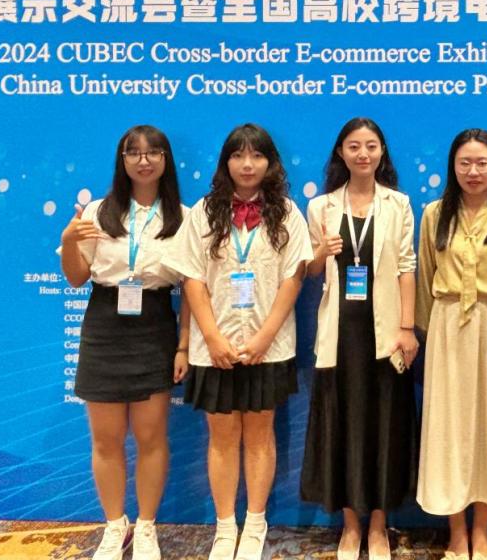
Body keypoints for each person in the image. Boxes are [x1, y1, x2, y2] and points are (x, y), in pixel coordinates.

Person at [163, 123, 312, 560]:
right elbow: (192, 278)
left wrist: (264, 338)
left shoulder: (287, 213)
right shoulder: (204, 212)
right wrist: (211, 337)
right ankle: (225, 526)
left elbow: (293, 279)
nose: (247, 165)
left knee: (261, 435)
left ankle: (256, 523)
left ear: (270, 163)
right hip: (216, 348)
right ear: (225, 162)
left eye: (257, 156)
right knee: (222, 437)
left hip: (270, 346)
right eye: (238, 155)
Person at [59, 125, 188, 560]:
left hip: (154, 323)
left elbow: (193, 287)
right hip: (105, 325)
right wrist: (68, 242)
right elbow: (76, 277)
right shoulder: (98, 211)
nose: (143, 160)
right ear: (122, 160)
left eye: (153, 152)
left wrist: (184, 346)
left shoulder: (183, 217)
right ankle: (115, 526)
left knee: (151, 437)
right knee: (106, 439)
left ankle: (147, 526)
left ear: (166, 160)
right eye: (134, 153)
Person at [301, 117, 419, 560]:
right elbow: (311, 270)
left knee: (384, 427)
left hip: (385, 333)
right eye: (354, 146)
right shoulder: (321, 206)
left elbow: (406, 267)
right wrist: (320, 253)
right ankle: (350, 527)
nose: (363, 153)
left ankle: (378, 527)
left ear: (382, 152)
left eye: (371, 145)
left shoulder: (398, 204)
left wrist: (406, 327)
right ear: (341, 152)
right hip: (341, 333)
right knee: (343, 427)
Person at [415, 128, 487, 560]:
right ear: (453, 166)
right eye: (464, 162)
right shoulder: (434, 214)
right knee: (449, 428)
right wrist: (421, 334)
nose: (473, 171)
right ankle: (456, 532)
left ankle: (481, 531)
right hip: (448, 326)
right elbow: (425, 277)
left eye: (482, 162)